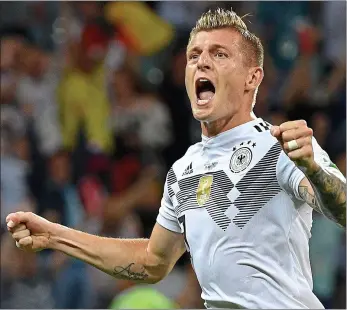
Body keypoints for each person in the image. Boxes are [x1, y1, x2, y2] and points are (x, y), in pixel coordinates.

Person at [6, 8, 346, 309]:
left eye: (220, 54)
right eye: (194, 55)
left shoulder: (282, 145)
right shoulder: (184, 170)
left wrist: (314, 169)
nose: (202, 62)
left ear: (251, 78)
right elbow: (153, 261)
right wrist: (56, 237)